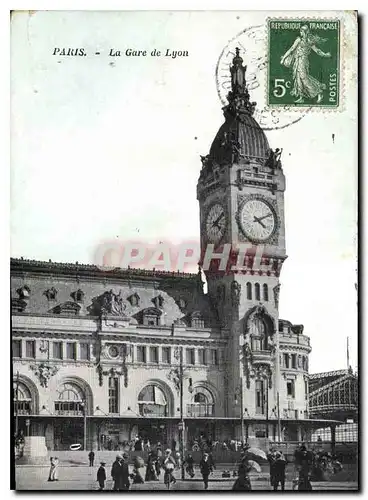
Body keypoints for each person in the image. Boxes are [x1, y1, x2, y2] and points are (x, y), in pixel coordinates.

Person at [280, 25, 331, 104]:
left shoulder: (309, 41)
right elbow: (291, 49)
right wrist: (284, 58)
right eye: (300, 31)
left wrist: (325, 55)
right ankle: (301, 97)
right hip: (297, 60)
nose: (300, 33)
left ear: (305, 32)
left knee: (304, 78)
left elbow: (317, 50)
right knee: (298, 79)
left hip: (303, 61)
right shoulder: (298, 40)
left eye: (302, 31)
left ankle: (318, 92)